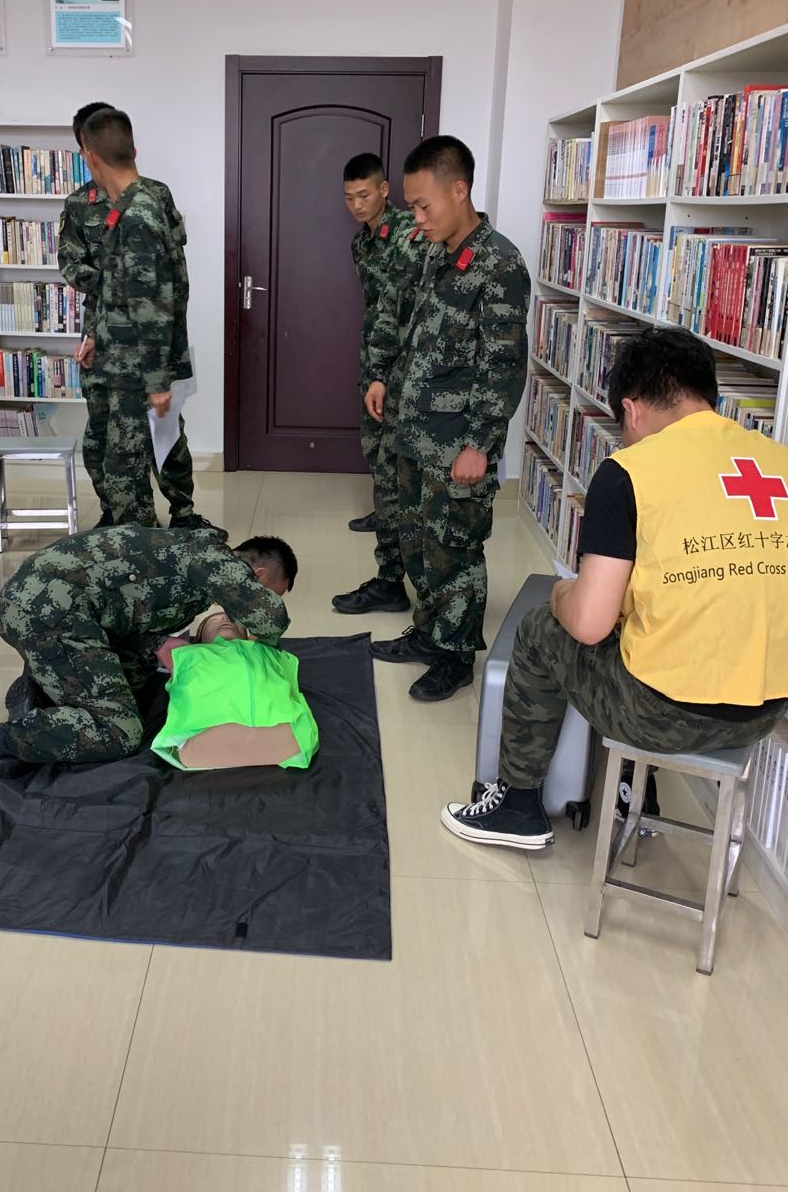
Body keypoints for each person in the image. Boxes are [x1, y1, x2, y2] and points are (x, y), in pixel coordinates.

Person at [441, 327, 788, 849]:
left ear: (632, 409)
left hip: (664, 716)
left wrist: (563, 594)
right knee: (650, 627)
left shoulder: (630, 472)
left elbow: (588, 624)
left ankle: (516, 806)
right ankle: (635, 792)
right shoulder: (776, 459)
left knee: (542, 629)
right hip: (765, 713)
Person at [0, 529, 299, 799]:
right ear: (259, 575)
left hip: (49, 604)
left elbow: (134, 612)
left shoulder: (193, 549)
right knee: (121, 731)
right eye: (271, 590)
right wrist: (261, 650)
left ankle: (43, 692)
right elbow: (270, 618)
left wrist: (159, 645)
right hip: (47, 615)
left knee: (136, 680)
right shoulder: (217, 561)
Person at [365, 135, 529, 702]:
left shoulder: (499, 264)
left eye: (423, 204)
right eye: (411, 205)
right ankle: (430, 631)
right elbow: (420, 335)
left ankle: (456, 655)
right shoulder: (438, 252)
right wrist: (386, 379)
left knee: (455, 548)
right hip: (417, 431)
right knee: (418, 542)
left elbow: (502, 365)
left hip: (458, 441)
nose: (416, 216)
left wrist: (480, 444)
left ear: (459, 191)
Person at [57, 101, 218, 533]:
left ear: (89, 155)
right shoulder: (123, 206)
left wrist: (158, 381)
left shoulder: (139, 213)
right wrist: (98, 333)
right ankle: (138, 545)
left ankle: (146, 551)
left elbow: (154, 301)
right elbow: (121, 285)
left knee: (130, 469)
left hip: (137, 366)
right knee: (119, 466)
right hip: (119, 356)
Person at [331, 151, 425, 618]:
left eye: (364, 195)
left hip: (399, 367)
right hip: (375, 360)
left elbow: (405, 308)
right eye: (349, 197)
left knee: (393, 462)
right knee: (375, 448)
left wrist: (385, 369)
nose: (357, 205)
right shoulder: (361, 242)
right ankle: (384, 512)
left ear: (385, 190)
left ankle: (393, 569)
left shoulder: (409, 234)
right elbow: (376, 305)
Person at [152, 608, 319, 771]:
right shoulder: (185, 655)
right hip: (201, 735)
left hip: (287, 734)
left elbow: (271, 618)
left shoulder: (265, 650)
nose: (225, 619)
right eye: (213, 621)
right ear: (200, 638)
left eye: (234, 620)